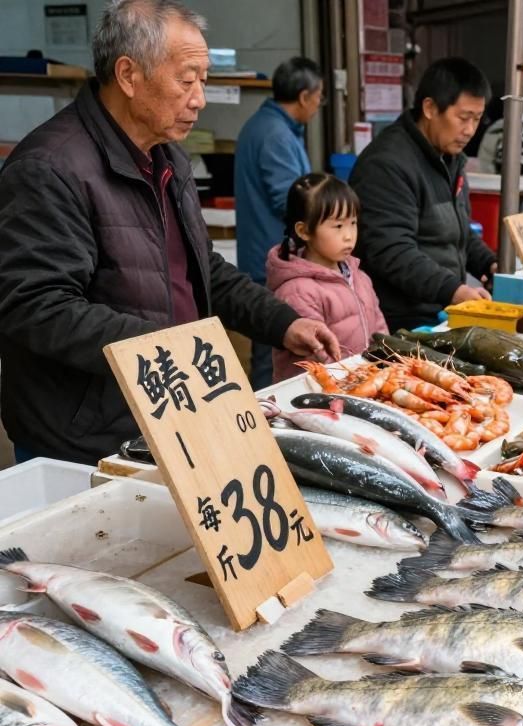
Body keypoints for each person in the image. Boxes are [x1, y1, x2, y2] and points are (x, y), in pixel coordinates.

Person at [0, 0, 339, 465]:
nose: (199, 98)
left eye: (203, 80)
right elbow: (38, 306)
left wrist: (283, 323)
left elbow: (202, 269)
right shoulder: (50, 166)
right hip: (84, 435)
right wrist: (170, 351)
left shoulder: (167, 156)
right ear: (128, 74)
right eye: (186, 80)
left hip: (165, 408)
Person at [349, 57, 496, 332]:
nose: (470, 130)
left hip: (439, 311)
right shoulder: (387, 164)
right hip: (402, 322)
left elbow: (458, 230)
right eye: (463, 118)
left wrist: (489, 263)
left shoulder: (450, 158)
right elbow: (392, 251)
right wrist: (453, 289)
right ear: (429, 108)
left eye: (477, 119)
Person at [235, 56, 324, 389]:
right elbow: (290, 201)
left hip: (261, 255)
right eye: (319, 97)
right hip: (271, 261)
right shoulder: (275, 134)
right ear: (304, 96)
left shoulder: (266, 125)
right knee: (270, 356)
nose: (318, 106)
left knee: (267, 348)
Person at [266, 173, 386, 383]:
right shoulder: (298, 291)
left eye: (353, 223)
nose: (349, 235)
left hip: (362, 386)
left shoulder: (360, 277)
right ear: (304, 231)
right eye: (338, 226)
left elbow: (380, 331)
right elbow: (318, 360)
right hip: (316, 394)